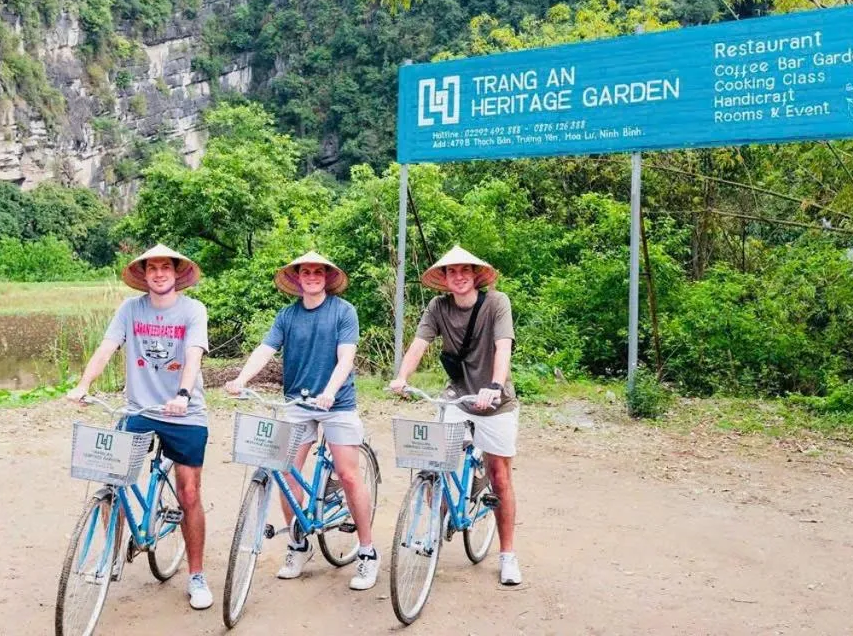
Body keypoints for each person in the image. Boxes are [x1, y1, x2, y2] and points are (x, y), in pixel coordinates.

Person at [67, 243, 214, 611]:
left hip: (184, 413)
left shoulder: (193, 310)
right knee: (110, 478)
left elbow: (193, 354)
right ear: (144, 275)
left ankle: (196, 575)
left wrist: (182, 393)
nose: (160, 273)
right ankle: (112, 555)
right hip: (141, 409)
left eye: (166, 267)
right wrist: (84, 384)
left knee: (190, 493)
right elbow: (107, 347)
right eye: (153, 268)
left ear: (177, 273)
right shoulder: (130, 310)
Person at [224, 250, 379, 591]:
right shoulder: (287, 315)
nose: (311, 276)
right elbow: (265, 350)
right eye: (305, 272)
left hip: (336, 403)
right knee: (284, 471)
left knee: (349, 475)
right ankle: (297, 543)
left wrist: (329, 391)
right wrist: (242, 380)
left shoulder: (343, 312)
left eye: (317, 272)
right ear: (297, 279)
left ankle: (367, 551)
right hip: (297, 402)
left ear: (326, 278)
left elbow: (346, 359)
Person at [387, 245, 522, 586]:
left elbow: (503, 346)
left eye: (464, 270)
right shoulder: (438, 306)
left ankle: (507, 555)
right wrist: (402, 377)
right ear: (444, 278)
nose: (458, 277)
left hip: (495, 400)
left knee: (499, 476)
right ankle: (433, 528)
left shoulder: (496, 303)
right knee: (436, 464)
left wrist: (495, 383)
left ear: (476, 275)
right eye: (451, 272)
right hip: (457, 397)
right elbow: (418, 344)